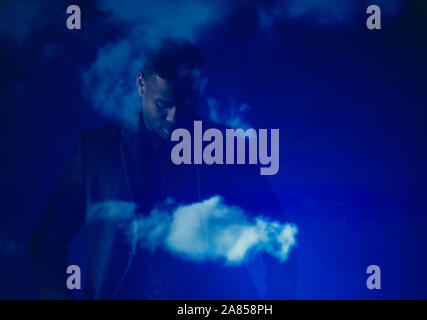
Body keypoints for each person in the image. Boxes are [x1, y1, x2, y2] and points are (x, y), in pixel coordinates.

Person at [30, 38, 297, 299]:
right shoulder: (96, 150)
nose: (174, 119)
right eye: (163, 105)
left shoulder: (231, 147)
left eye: (186, 105)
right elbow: (47, 242)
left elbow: (278, 237)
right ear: (140, 85)